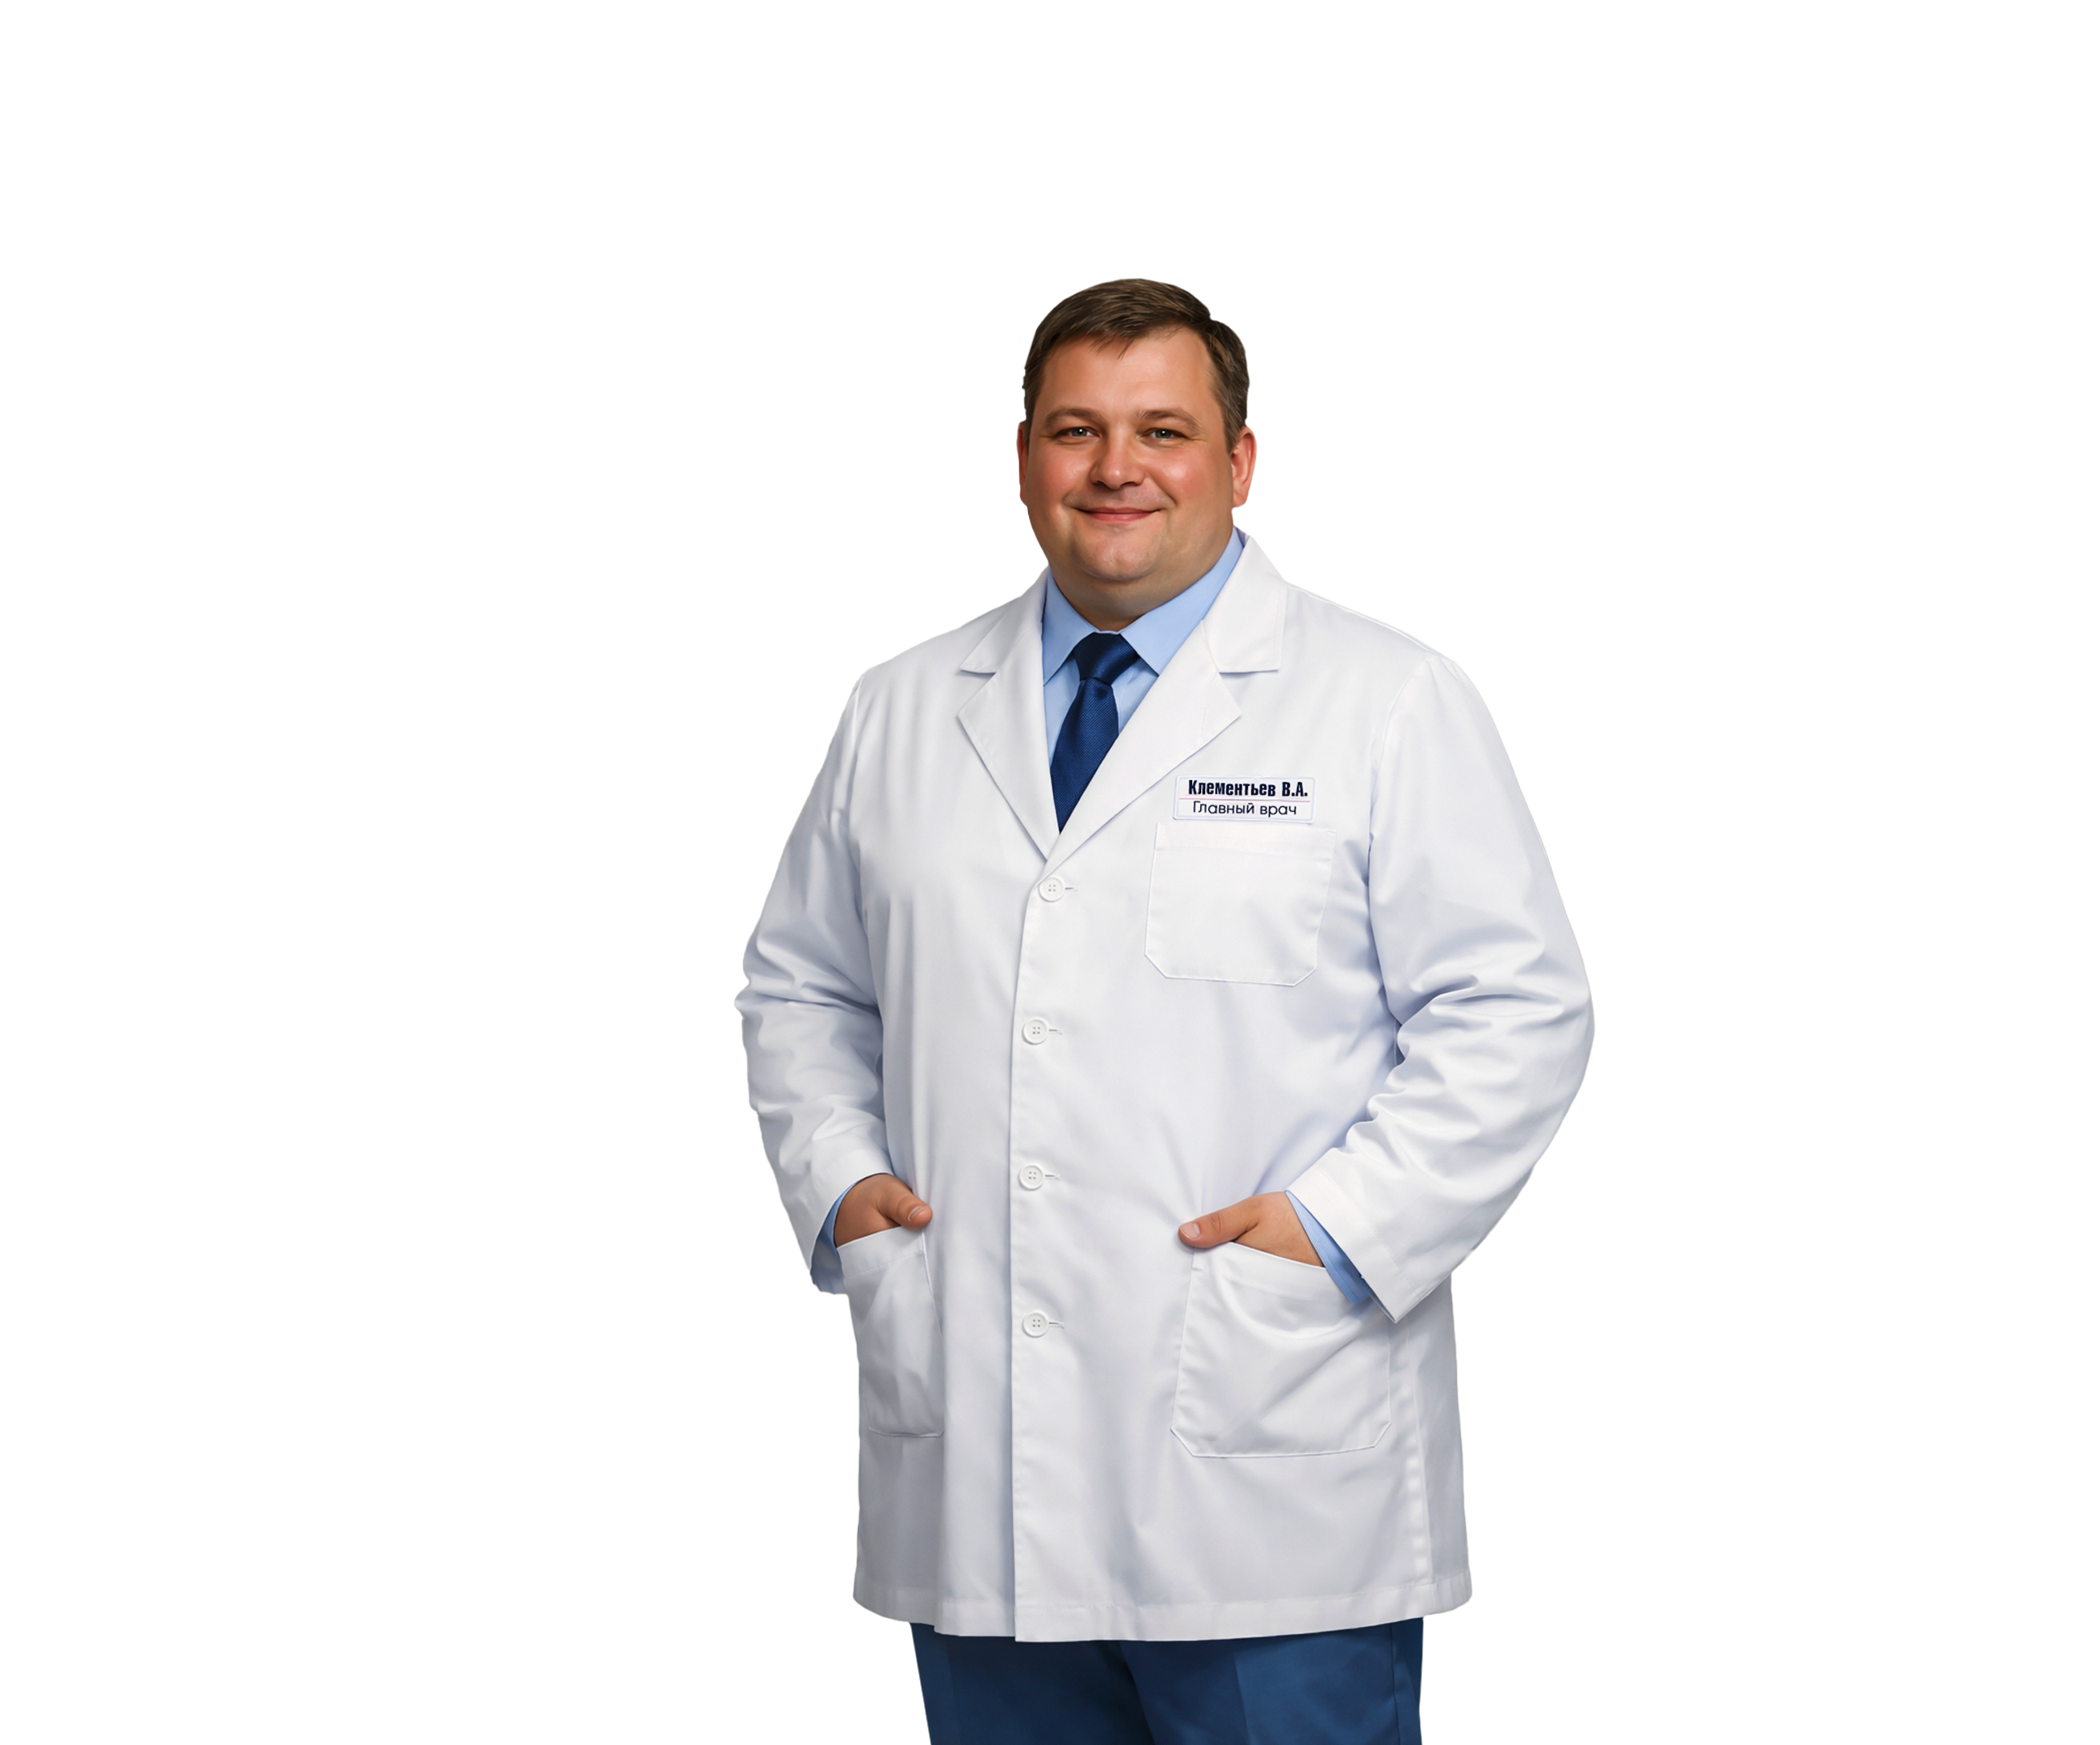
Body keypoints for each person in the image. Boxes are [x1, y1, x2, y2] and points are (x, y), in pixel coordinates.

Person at [737, 275, 1593, 1743]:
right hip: (981, 1473)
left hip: (1266, 1464)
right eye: (1074, 430)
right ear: (1023, 460)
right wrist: (841, 1184)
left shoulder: (1386, 697)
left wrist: (1337, 1230)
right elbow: (803, 981)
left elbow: (1517, 1007)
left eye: (1163, 431)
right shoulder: (902, 703)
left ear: (1240, 461)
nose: (1115, 468)